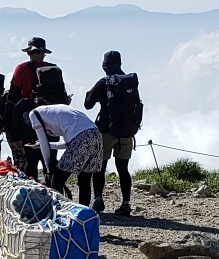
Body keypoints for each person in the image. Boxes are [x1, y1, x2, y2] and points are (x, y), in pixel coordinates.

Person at [83, 50, 143, 216]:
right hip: (126, 131)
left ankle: (98, 199)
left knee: (100, 167)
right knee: (123, 168)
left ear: (104, 66)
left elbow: (87, 104)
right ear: (120, 63)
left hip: (106, 130)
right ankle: (126, 203)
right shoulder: (130, 82)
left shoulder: (104, 82)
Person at [28, 102, 104, 203]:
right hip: (96, 135)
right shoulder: (60, 112)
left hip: (81, 138)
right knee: (84, 180)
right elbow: (68, 143)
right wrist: (47, 145)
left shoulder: (34, 114)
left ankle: (58, 211)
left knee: (57, 179)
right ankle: (85, 213)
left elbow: (43, 142)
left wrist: (48, 169)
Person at [6, 37, 60, 178]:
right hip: (51, 120)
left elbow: (12, 99)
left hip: (28, 120)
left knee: (31, 160)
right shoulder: (53, 69)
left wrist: (14, 133)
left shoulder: (21, 69)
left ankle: (32, 193)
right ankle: (53, 192)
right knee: (50, 160)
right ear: (44, 53)